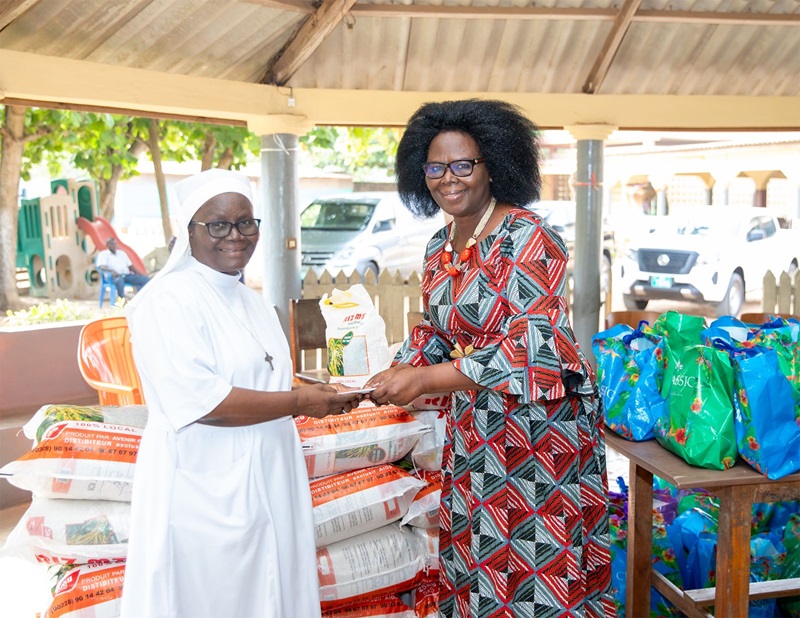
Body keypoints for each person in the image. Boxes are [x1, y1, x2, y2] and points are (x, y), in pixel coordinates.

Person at [364, 99, 614, 617]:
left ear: (494, 164)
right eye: (435, 167)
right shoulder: (441, 245)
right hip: (477, 425)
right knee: (478, 558)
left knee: (536, 564)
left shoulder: (528, 235)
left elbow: (530, 342)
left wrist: (428, 377)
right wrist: (397, 370)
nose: (448, 179)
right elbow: (438, 327)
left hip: (538, 433)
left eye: (463, 164)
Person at [121, 169, 363, 618]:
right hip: (204, 484)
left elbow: (264, 379)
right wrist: (298, 403)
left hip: (272, 470)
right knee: (214, 598)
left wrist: (318, 392)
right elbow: (204, 403)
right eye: (217, 224)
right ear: (188, 231)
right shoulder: (168, 301)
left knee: (277, 589)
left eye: (246, 222)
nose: (235, 235)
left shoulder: (252, 301)